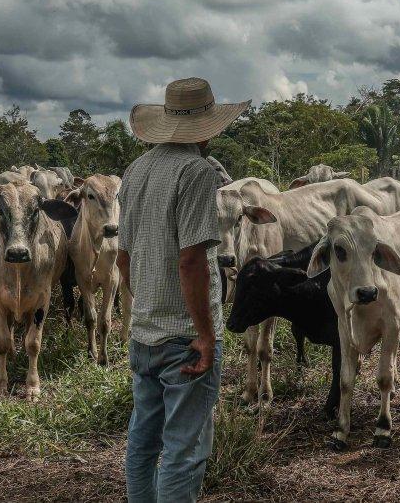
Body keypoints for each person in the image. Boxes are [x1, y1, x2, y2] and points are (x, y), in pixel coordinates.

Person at [117, 77, 250, 502]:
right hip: (184, 341)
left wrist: (145, 309)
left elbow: (123, 257)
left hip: (144, 335)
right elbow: (192, 260)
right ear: (207, 128)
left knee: (143, 440)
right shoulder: (196, 172)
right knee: (185, 448)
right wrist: (206, 335)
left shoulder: (136, 171)